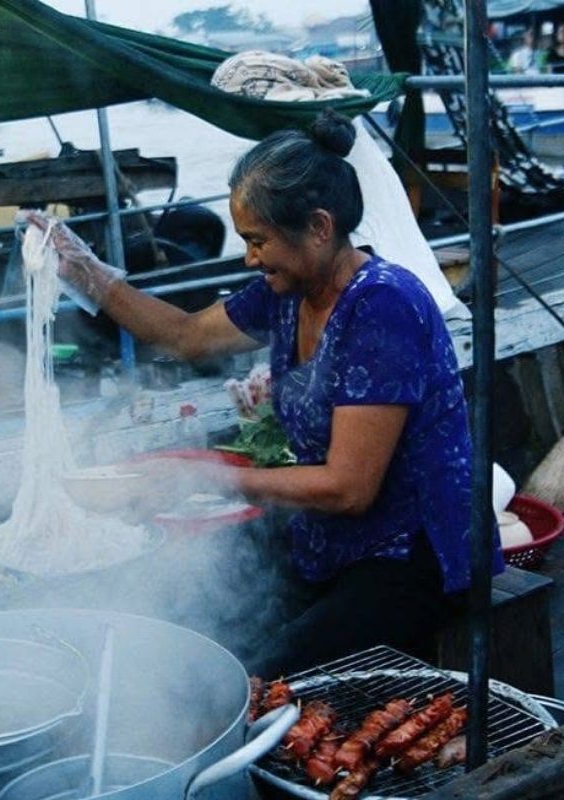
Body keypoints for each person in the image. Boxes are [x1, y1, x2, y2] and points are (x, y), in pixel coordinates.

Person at [27, 111, 504, 677]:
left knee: (253, 674)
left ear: (320, 227)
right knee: (183, 604)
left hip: (414, 558)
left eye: (259, 241)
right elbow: (185, 336)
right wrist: (84, 270)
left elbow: (349, 488)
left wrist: (204, 478)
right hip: (332, 538)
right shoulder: (287, 292)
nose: (250, 258)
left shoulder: (383, 307)